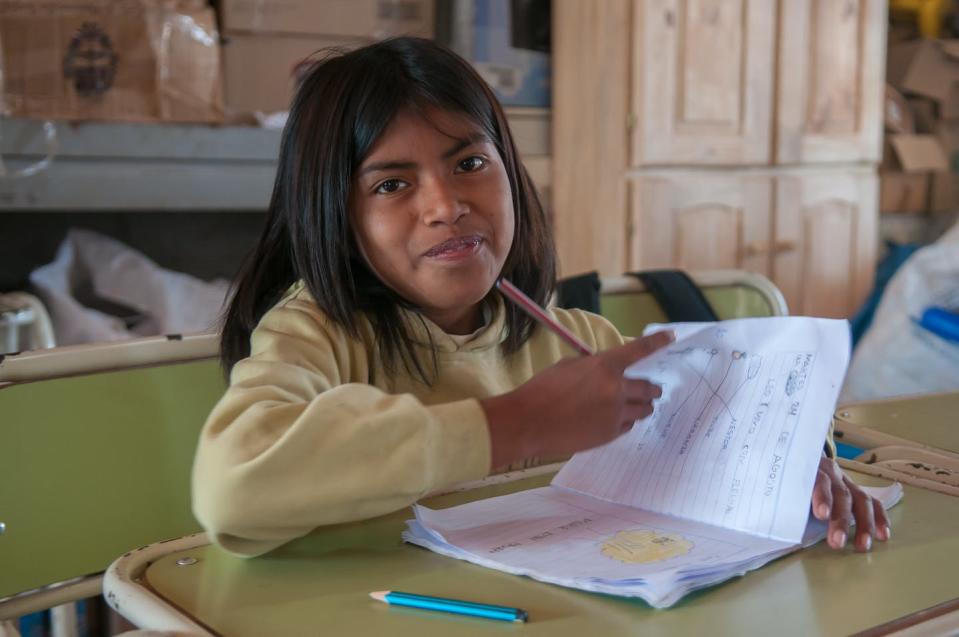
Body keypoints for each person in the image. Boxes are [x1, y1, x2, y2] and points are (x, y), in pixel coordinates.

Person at [191, 37, 889, 558]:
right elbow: (230, 489)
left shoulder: (577, 344)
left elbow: (721, 424)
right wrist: (513, 424)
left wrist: (791, 472)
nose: (446, 205)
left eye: (469, 164)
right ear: (333, 215)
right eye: (391, 184)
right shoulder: (316, 334)